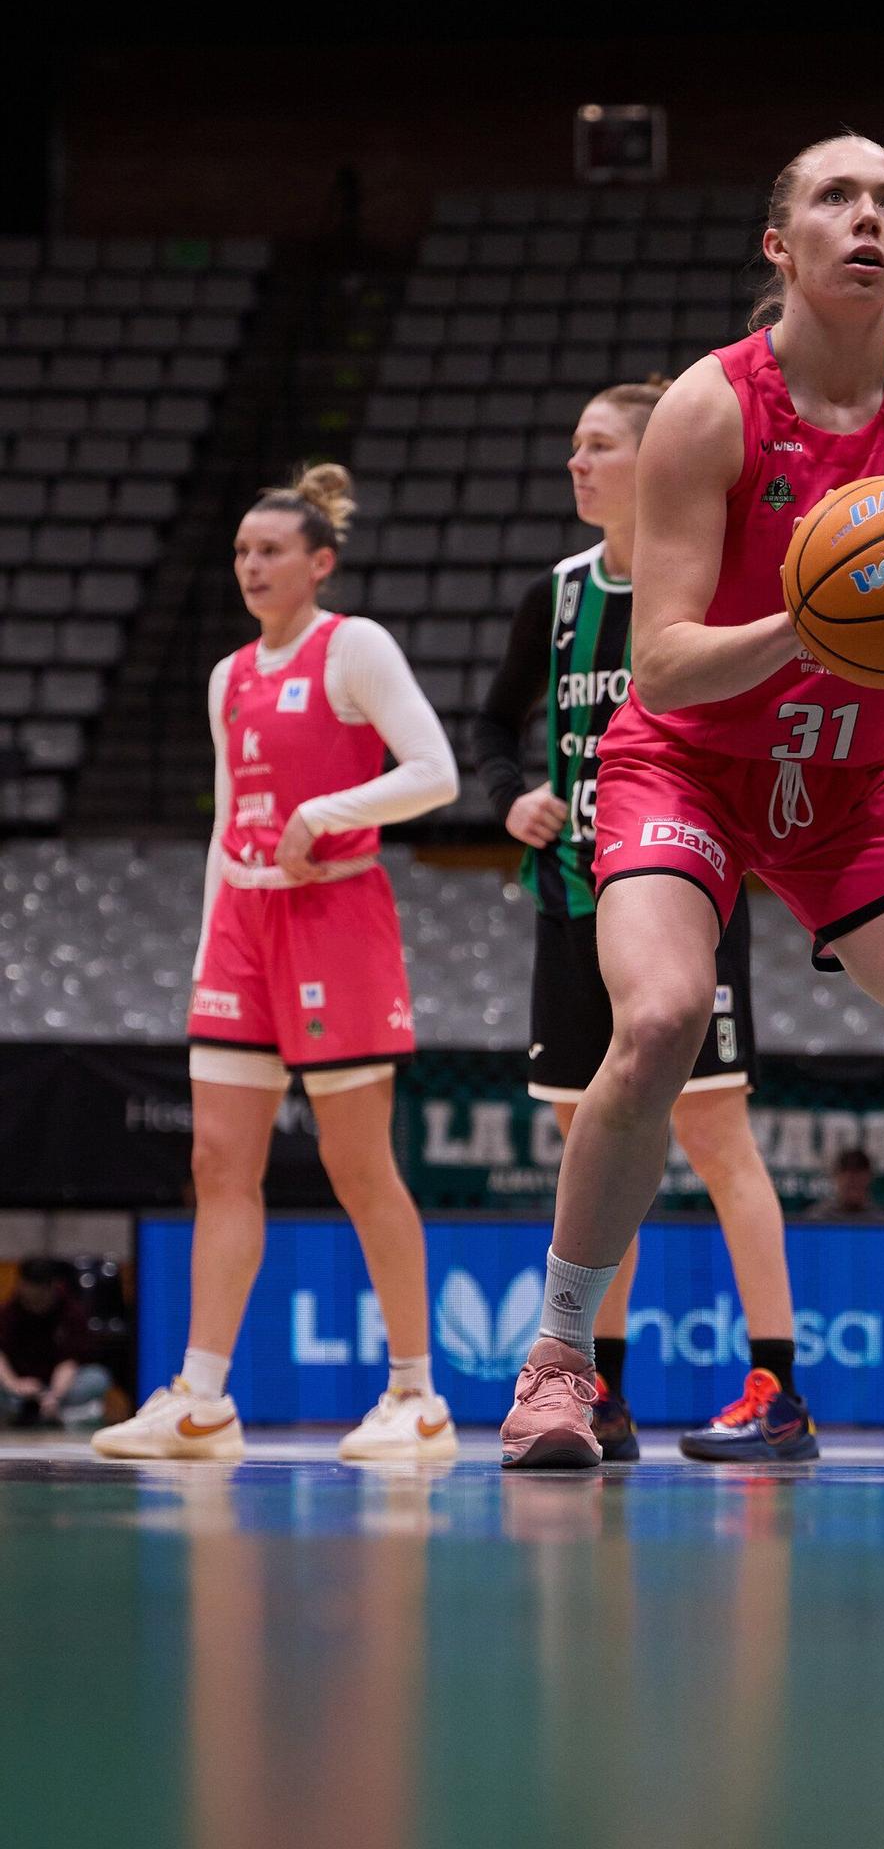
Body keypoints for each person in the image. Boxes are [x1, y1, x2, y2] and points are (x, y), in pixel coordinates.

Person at [501, 133, 884, 1470]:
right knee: (650, 1028)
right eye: (837, 197)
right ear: (782, 244)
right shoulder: (712, 406)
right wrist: (807, 625)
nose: (867, 217)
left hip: (852, 776)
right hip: (685, 765)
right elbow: (661, 661)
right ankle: (559, 1366)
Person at [475, 379, 816, 1464]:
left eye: (597, 444)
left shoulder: (707, 588)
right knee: (590, 1136)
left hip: (683, 885)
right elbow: (494, 721)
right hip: (573, 895)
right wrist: (508, 794)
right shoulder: (559, 594)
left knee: (718, 1139)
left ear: (655, 455)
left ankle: (779, 1384)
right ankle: (597, 1391)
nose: (576, 463)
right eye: (572, 445)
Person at [93, 464, 461, 1464]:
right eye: (243, 551)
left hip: (335, 915)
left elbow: (435, 772)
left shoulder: (356, 648)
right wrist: (211, 941)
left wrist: (325, 813)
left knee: (355, 1163)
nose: (252, 565)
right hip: (241, 928)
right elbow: (225, 825)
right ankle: (202, 1397)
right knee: (217, 1161)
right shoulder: (229, 675)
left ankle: (417, 1394)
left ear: (320, 562)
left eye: (272, 550)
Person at [0, 1258, 112, 1429]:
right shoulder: (7, 1313)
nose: (37, 1303)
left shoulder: (71, 1313)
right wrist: (15, 1384)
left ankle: (56, 1413)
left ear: (53, 1288)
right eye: (33, 1298)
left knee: (97, 1377)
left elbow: (69, 1360)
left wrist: (55, 1395)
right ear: (22, 1286)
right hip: (20, 1389)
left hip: (61, 1387)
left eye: (42, 1297)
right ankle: (23, 1412)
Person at [806, 1146, 884, 1221]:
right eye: (846, 1170)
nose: (853, 1178)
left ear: (870, 1177)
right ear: (835, 1176)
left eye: (859, 1171)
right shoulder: (816, 1218)